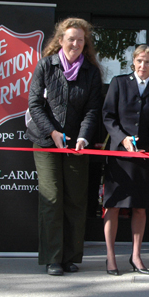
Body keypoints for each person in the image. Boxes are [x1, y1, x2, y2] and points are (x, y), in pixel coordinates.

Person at [26, 17, 102, 276]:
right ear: (60, 41)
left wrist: (82, 137)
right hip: (46, 141)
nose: (76, 43)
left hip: (77, 145)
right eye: (71, 38)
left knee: (76, 200)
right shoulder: (46, 66)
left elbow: (93, 110)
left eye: (81, 40)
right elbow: (34, 104)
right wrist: (52, 132)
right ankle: (52, 258)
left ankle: (70, 256)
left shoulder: (91, 72)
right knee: (53, 197)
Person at [102, 45, 149, 276]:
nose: (143, 65)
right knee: (113, 206)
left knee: (140, 207)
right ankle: (110, 258)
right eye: (139, 60)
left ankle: (136, 256)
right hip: (119, 155)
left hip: (144, 156)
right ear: (133, 62)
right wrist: (123, 139)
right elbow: (108, 117)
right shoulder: (119, 83)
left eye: (148, 62)